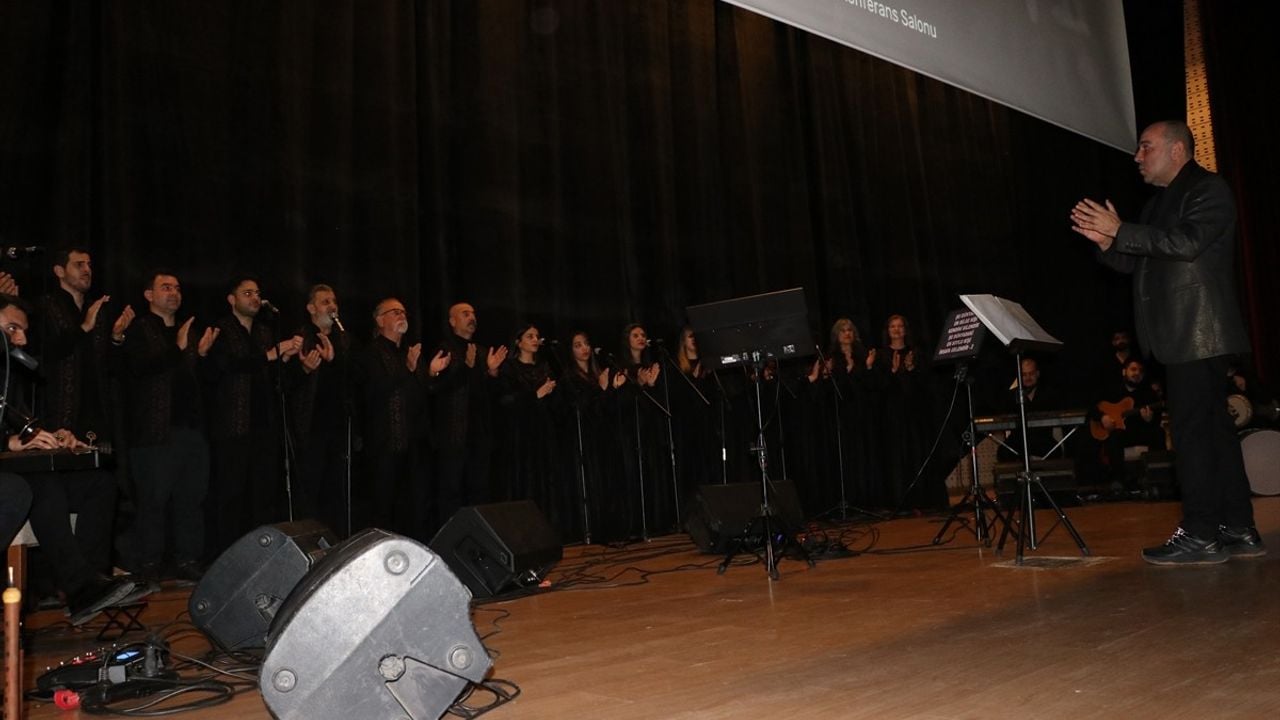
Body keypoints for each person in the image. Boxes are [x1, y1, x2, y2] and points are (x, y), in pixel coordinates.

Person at [1071, 119, 1259, 564]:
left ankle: (1200, 533)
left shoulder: (1208, 190)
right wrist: (1107, 242)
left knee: (1194, 436)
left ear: (1178, 150)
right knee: (1214, 433)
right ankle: (1238, 527)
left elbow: (1188, 243)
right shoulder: (1160, 204)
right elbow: (1142, 263)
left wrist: (1122, 231)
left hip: (1198, 332)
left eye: (1146, 147)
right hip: (1183, 334)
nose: (1137, 157)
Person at [0, 294, 135, 624]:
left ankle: (92, 582)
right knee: (39, 486)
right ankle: (79, 587)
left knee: (99, 484)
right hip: (12, 476)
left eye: (23, 331)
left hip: (16, 469)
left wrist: (52, 436)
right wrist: (10, 442)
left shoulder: (10, 376)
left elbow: (22, 424)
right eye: (12, 329)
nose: (22, 340)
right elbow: (11, 438)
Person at [115, 271, 217, 583]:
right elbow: (141, 369)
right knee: (153, 501)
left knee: (191, 499)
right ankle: (149, 564)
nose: (173, 293)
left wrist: (199, 355)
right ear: (149, 295)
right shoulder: (140, 329)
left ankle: (187, 559)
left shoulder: (188, 330)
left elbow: (197, 382)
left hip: (191, 431)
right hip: (154, 433)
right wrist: (178, 347)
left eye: (177, 287)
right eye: (165, 287)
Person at [204, 276, 302, 557]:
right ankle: (227, 557)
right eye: (247, 293)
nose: (255, 298)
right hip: (231, 425)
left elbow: (272, 376)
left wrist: (287, 361)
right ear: (231, 299)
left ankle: (260, 555)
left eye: (257, 293)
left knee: (262, 495)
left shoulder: (264, 331)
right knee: (230, 495)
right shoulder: (221, 329)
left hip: (263, 425)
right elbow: (227, 366)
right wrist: (271, 355)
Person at [357, 298, 448, 541]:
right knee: (384, 508)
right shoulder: (370, 353)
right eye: (394, 312)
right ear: (380, 320)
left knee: (417, 507)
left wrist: (430, 373)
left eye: (403, 312)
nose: (401, 315)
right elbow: (375, 392)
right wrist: (406, 369)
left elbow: (423, 392)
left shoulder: (410, 351)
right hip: (385, 444)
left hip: (415, 445)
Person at [36, 247, 132, 442]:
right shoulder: (44, 307)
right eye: (79, 265)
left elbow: (112, 368)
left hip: (98, 417)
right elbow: (44, 355)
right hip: (60, 416)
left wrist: (116, 337)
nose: (87, 270)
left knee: (100, 471)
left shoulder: (98, 311)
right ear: (59, 271)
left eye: (89, 265)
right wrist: (83, 328)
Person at [431, 302, 505, 528]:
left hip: (479, 434)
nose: (472, 317)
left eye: (473, 313)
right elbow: (437, 389)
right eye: (465, 314)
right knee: (452, 490)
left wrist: (492, 373)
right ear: (452, 321)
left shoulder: (483, 351)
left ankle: (480, 541)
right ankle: (450, 542)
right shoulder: (445, 349)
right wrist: (466, 366)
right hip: (453, 434)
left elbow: (494, 397)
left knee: (480, 490)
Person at [286, 284, 351, 536]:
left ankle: (337, 540)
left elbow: (353, 378)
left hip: (337, 426)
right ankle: (310, 542)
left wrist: (334, 361)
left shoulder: (343, 338)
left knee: (336, 489)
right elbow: (285, 383)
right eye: (325, 302)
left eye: (334, 301)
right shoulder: (301, 336)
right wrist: (304, 370)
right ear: (311, 308)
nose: (332, 306)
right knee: (310, 488)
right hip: (309, 427)